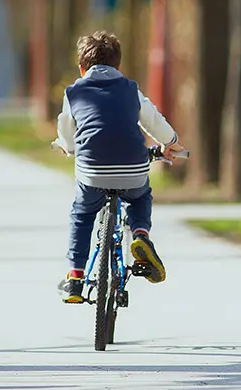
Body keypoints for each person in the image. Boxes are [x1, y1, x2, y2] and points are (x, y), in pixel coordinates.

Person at [53, 31, 185, 304]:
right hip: (133, 168)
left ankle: (75, 277)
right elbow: (152, 120)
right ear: (118, 66)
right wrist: (170, 142)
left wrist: (68, 147)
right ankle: (140, 235)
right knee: (139, 197)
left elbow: (66, 129)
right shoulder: (129, 89)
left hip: (92, 171)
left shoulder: (74, 92)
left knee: (82, 214)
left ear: (81, 68)